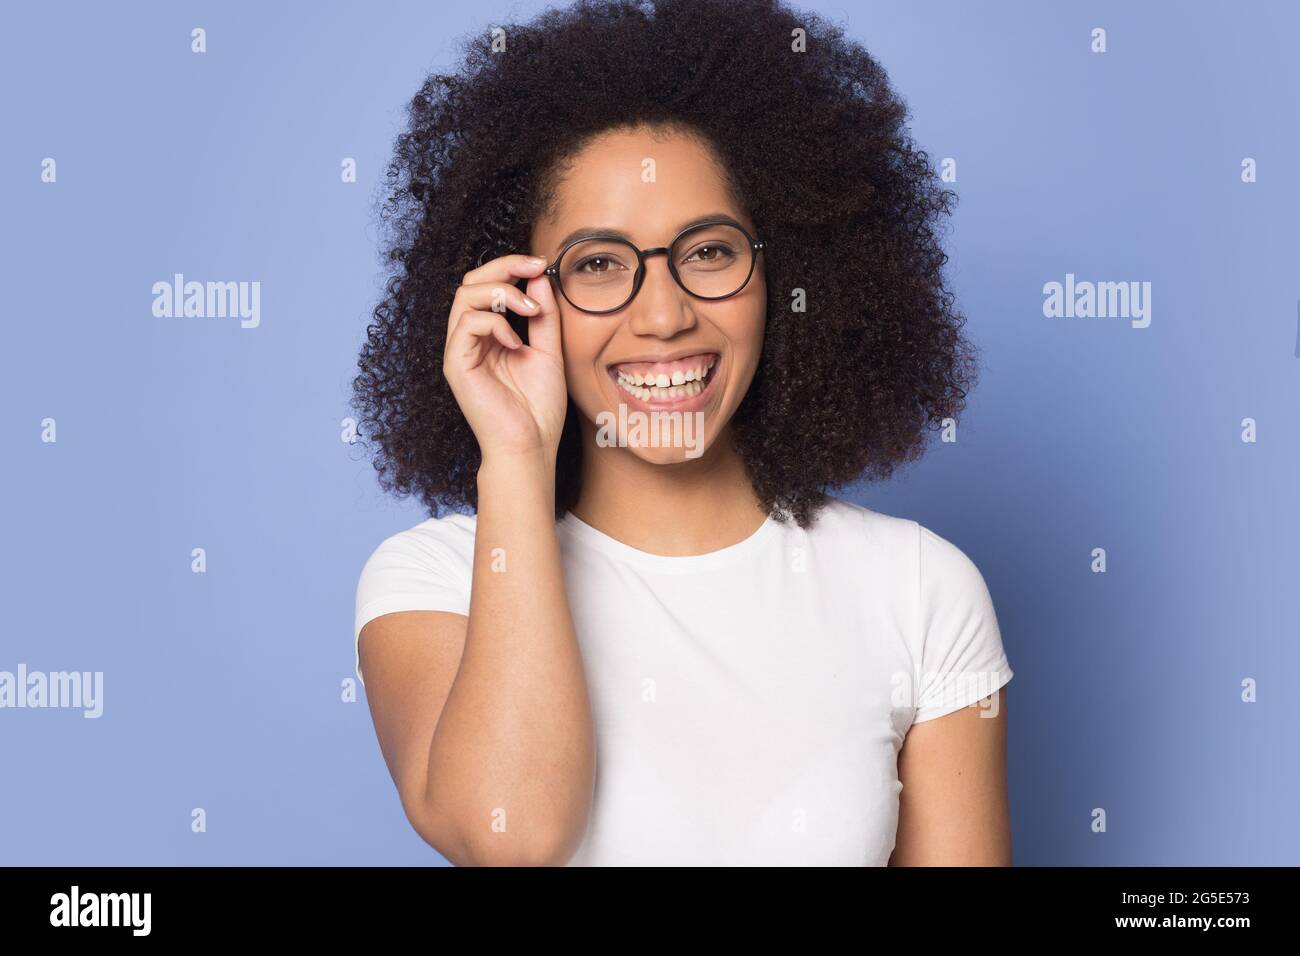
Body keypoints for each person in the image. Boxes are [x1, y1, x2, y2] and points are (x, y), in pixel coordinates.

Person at [350, 0, 1014, 866]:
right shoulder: (435, 582)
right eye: (597, 264)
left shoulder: (920, 591)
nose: (663, 315)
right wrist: (515, 456)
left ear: (790, 272)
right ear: (521, 295)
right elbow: (510, 837)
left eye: (707, 251)